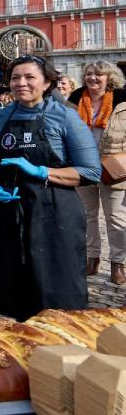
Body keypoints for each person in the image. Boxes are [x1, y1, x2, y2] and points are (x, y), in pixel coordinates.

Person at [0, 55, 99, 320]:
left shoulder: (66, 117)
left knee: (56, 289)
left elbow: (90, 171)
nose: (21, 83)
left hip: (56, 211)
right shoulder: (1, 118)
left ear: (47, 82)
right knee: (14, 285)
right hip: (11, 210)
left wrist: (41, 171)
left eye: (29, 77)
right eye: (15, 78)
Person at [68, 61, 126, 284]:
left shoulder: (122, 100)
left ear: (108, 77)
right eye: (89, 74)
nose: (93, 78)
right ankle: (91, 259)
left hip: (114, 169)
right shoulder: (75, 99)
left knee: (116, 219)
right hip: (83, 167)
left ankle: (117, 263)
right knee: (87, 217)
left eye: (99, 74)